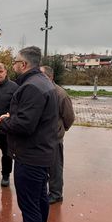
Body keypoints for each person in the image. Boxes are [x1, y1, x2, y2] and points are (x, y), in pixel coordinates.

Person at [0, 46, 58, 222]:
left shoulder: (31, 86)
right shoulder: (44, 82)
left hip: (30, 156)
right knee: (40, 199)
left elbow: (25, 125)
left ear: (23, 65)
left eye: (15, 62)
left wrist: (5, 121)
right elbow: (32, 117)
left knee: (30, 205)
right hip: (42, 153)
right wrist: (13, 116)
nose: (13, 65)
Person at [40, 65, 75, 204]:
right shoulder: (38, 91)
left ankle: (56, 193)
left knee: (55, 166)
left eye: (43, 76)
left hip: (54, 138)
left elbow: (69, 117)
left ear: (51, 77)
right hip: (40, 137)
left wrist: (60, 130)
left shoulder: (60, 94)